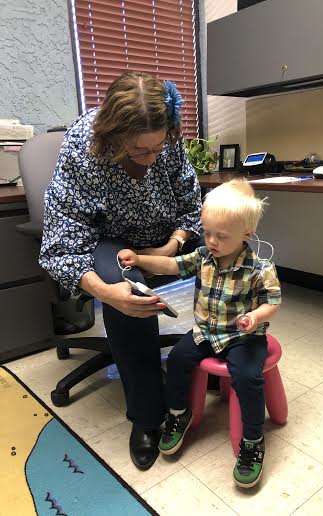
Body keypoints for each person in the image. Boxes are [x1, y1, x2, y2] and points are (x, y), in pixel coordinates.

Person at [39, 71, 202, 471]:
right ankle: (147, 417)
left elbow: (190, 200)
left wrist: (172, 245)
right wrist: (107, 293)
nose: (151, 158)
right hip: (111, 243)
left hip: (166, 237)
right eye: (138, 150)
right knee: (121, 284)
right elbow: (63, 243)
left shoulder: (167, 138)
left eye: (157, 148)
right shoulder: (81, 147)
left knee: (232, 239)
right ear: (112, 137)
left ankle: (224, 354)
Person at [118, 178, 282, 488]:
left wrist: (254, 316)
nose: (211, 241)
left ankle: (253, 440)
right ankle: (179, 414)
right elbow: (170, 264)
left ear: (246, 235)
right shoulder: (203, 257)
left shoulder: (259, 268)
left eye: (221, 236)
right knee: (178, 359)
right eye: (207, 233)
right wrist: (140, 259)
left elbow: (273, 301)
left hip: (243, 338)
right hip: (206, 332)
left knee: (247, 378)